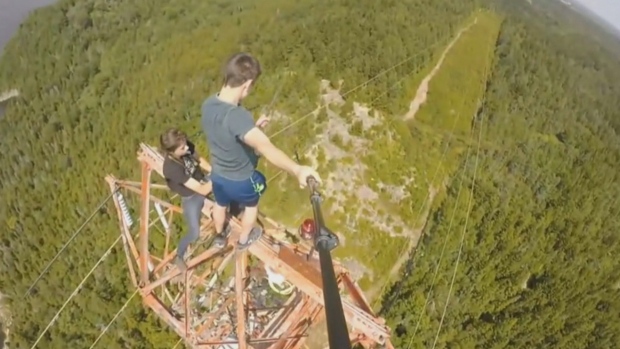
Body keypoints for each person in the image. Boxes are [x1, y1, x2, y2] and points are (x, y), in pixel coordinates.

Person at [201, 52, 322, 251]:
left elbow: (228, 135)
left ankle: (219, 236)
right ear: (246, 85)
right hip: (243, 182)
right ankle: (244, 240)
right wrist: (297, 170)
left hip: (218, 177)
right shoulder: (238, 117)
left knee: (220, 205)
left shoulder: (208, 105)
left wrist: (253, 129)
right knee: (254, 199)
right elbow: (265, 147)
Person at [160, 128, 214, 271]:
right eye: (182, 148)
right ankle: (179, 256)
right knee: (194, 232)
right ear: (172, 151)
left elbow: (198, 159)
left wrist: (213, 171)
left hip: (202, 181)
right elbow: (202, 190)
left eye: (185, 144)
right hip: (191, 196)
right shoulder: (171, 169)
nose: (186, 148)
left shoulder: (185, 146)